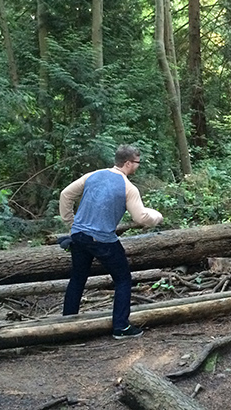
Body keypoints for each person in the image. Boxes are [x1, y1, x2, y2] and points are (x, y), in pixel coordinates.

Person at [59, 145, 163, 339]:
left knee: (78, 278)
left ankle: (67, 324)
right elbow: (141, 217)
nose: (138, 167)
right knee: (123, 279)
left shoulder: (92, 175)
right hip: (103, 239)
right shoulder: (128, 187)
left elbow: (66, 194)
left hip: (79, 236)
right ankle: (121, 327)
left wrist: (71, 222)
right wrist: (157, 217)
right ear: (128, 163)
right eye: (137, 163)